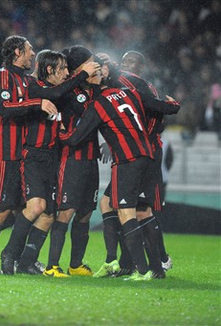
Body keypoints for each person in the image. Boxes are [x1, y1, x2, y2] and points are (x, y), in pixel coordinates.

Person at [59, 59, 180, 281]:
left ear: (102, 78)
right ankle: (154, 268)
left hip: (127, 159)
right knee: (129, 207)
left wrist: (60, 129)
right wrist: (174, 106)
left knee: (126, 212)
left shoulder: (100, 104)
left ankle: (141, 271)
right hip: (147, 155)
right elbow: (156, 109)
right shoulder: (130, 93)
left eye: (94, 74)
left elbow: (76, 138)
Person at [12, 49, 100, 275]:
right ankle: (24, 259)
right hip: (50, 158)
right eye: (90, 65)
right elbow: (58, 96)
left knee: (65, 214)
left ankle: (39, 263)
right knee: (47, 210)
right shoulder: (48, 88)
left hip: (71, 158)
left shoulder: (81, 90)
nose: (95, 67)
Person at [93, 51, 174, 278]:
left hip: (144, 154)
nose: (126, 64)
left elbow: (159, 121)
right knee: (111, 204)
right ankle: (122, 262)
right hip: (132, 153)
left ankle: (160, 261)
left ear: (142, 67)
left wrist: (131, 141)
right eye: (125, 60)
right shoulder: (123, 89)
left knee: (142, 210)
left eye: (132, 62)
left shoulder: (144, 88)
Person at [0, 36, 58, 274]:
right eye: (29, 49)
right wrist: (38, 104)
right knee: (1, 209)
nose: (33, 53)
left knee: (21, 210)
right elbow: (5, 109)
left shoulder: (24, 80)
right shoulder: (3, 76)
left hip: (21, 155)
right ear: (17, 52)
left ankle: (19, 260)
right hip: (4, 152)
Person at [42, 45, 102, 278]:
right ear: (79, 68)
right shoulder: (69, 91)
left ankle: (75, 264)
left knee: (86, 212)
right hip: (72, 159)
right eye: (90, 62)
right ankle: (51, 266)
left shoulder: (91, 89)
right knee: (65, 212)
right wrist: (90, 81)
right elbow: (89, 114)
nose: (94, 65)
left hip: (90, 159)